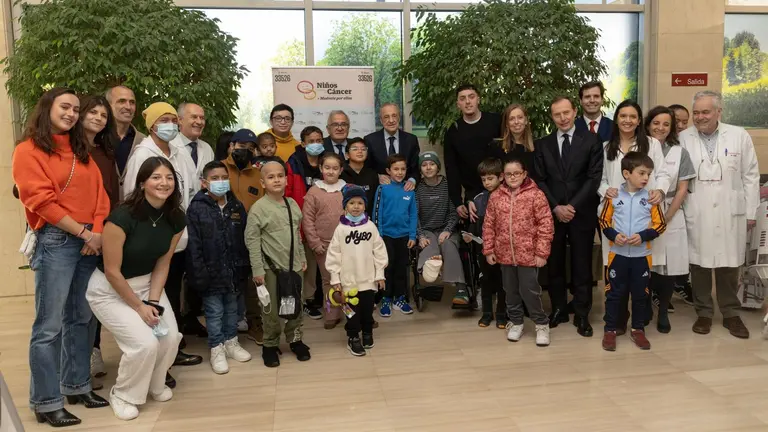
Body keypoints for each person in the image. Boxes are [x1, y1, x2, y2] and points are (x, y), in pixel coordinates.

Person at [12, 87, 111, 427]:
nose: (70, 113)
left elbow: (100, 194)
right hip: (56, 239)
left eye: (74, 108)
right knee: (49, 326)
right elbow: (41, 202)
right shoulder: (28, 151)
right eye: (64, 107)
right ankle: (45, 401)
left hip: (88, 240)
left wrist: (96, 231)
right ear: (47, 108)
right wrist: (84, 232)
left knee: (81, 318)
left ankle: (77, 385)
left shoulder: (81, 150)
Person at [86, 157, 184, 420]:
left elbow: (164, 262)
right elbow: (112, 271)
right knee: (144, 344)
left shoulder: (176, 217)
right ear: (142, 183)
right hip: (109, 290)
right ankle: (123, 394)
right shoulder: (121, 217)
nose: (164, 183)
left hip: (148, 285)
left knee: (170, 337)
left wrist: (152, 302)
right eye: (156, 177)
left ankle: (155, 383)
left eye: (169, 178)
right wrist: (139, 307)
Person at [122, 102, 203, 370]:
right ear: (152, 125)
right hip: (153, 235)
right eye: (164, 119)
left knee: (171, 291)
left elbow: (189, 189)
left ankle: (171, 348)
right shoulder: (142, 155)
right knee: (155, 294)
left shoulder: (178, 150)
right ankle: (157, 354)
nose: (170, 124)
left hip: (177, 234)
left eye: (172, 119)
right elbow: (132, 198)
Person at [680, 90, 759, 339]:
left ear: (718, 112)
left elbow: (750, 175)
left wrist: (750, 212)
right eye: (696, 112)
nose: (700, 117)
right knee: (700, 263)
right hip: (697, 208)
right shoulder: (683, 138)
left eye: (705, 111)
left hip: (730, 209)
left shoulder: (738, 135)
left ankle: (731, 314)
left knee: (729, 264)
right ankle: (704, 312)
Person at [598, 100, 671, 333]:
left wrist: (659, 191)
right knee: (615, 270)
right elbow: (600, 179)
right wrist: (605, 190)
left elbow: (662, 173)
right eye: (622, 116)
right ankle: (618, 319)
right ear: (616, 119)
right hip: (617, 214)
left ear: (639, 120)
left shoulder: (651, 143)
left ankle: (641, 319)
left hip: (643, 211)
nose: (627, 120)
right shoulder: (607, 146)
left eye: (632, 116)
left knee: (642, 271)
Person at [534, 96, 603, 337]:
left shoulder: (592, 140)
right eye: (557, 114)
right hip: (552, 214)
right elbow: (540, 179)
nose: (563, 118)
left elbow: (593, 178)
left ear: (575, 112)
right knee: (554, 263)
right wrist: (556, 207)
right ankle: (559, 309)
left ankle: (582, 314)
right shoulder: (542, 144)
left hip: (581, 212)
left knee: (582, 264)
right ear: (551, 117)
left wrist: (571, 206)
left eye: (566, 112)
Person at [185, 161, 252, 374]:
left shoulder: (236, 205)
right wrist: (198, 273)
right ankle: (217, 347)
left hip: (234, 270)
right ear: (204, 182)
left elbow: (244, 238)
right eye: (215, 178)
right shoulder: (197, 208)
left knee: (233, 309)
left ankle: (231, 342)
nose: (220, 182)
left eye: (224, 177)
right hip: (210, 272)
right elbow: (193, 245)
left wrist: (244, 266)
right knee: (214, 313)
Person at [245, 159, 311, 367]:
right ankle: (270, 344)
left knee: (294, 305)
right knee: (271, 310)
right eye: (271, 177)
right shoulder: (258, 209)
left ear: (286, 180)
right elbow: (252, 241)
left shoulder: (292, 204)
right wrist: (258, 269)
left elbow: (297, 236)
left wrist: (301, 257)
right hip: (269, 269)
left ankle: (295, 339)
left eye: (280, 176)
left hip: (294, 267)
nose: (276, 180)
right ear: (263, 182)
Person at [598, 152, 667, 351]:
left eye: (649, 174)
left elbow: (660, 225)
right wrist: (613, 235)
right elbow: (603, 220)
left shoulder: (651, 198)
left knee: (640, 295)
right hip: (617, 256)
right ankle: (610, 330)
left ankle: (638, 329)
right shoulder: (613, 196)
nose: (646, 178)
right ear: (626, 173)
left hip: (641, 258)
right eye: (642, 173)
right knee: (614, 295)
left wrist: (644, 236)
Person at [483, 157, 554, 346]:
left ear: (524, 174)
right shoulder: (496, 196)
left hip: (529, 255)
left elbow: (546, 225)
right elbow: (489, 224)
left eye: (516, 173)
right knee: (510, 291)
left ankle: (541, 324)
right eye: (508, 174)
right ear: (502, 176)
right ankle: (515, 322)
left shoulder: (536, 195)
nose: (512, 177)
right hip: (505, 254)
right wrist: (489, 249)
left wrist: (541, 253)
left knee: (530, 291)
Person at [79, 95, 120, 382]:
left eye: (103, 115)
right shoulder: (68, 149)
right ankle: (80, 358)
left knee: (98, 293)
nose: (97, 118)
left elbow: (111, 194)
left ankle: (93, 349)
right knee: (78, 300)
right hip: (78, 232)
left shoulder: (106, 152)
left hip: (104, 230)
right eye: (92, 112)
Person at [645, 106, 696, 333]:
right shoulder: (639, 148)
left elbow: (683, 188)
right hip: (643, 213)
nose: (661, 128)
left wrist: (665, 217)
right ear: (647, 124)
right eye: (656, 123)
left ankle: (663, 311)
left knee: (667, 267)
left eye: (666, 124)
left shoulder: (679, 152)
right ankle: (645, 306)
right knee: (645, 264)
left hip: (671, 213)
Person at [325, 184, 388, 356]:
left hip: (368, 281)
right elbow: (333, 255)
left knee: (367, 311)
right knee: (352, 313)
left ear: (365, 205)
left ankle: (367, 332)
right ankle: (353, 337)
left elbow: (380, 252)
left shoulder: (370, 227)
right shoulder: (341, 229)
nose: (355, 206)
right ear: (345, 205)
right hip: (348, 283)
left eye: (359, 203)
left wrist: (380, 274)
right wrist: (335, 279)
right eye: (351, 203)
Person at [223, 129, 264, 344]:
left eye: (250, 148)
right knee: (227, 281)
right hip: (223, 235)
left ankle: (254, 322)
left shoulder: (258, 175)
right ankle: (227, 327)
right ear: (231, 146)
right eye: (241, 146)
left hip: (251, 236)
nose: (245, 151)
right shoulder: (219, 170)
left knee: (252, 281)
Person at [415, 152, 468, 305]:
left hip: (446, 228)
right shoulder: (417, 189)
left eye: (431, 164)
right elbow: (414, 215)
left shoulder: (448, 185)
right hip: (426, 230)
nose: (428, 167)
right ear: (420, 170)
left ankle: (461, 289)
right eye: (424, 165)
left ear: (438, 167)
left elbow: (454, 212)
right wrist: (420, 235)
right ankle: (431, 267)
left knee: (449, 244)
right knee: (429, 245)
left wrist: (448, 230)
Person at [444, 84, 502, 220]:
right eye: (462, 98)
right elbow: (451, 168)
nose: (468, 101)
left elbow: (507, 156)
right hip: (473, 195)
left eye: (471, 97)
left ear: (478, 99)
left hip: (501, 189)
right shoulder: (453, 131)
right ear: (458, 104)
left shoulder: (496, 122)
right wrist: (457, 201)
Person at [302, 152, 347, 329]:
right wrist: (314, 243)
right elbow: (307, 220)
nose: (330, 171)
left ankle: (351, 311)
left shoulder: (347, 189)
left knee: (349, 279)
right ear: (321, 168)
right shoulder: (313, 192)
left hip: (347, 244)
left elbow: (357, 212)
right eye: (327, 167)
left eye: (335, 168)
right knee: (329, 280)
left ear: (341, 170)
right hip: (324, 245)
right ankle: (331, 313)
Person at [287, 126, 325, 320]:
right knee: (307, 264)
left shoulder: (327, 162)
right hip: (301, 220)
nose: (316, 144)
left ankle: (325, 298)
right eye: (311, 141)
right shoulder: (293, 164)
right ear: (303, 144)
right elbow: (288, 193)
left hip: (324, 220)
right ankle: (306, 300)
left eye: (319, 140)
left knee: (325, 264)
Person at [372, 154, 417, 316]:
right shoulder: (382, 188)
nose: (399, 172)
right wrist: (379, 236)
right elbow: (377, 213)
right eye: (395, 169)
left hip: (404, 237)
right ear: (388, 171)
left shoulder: (409, 191)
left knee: (401, 269)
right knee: (387, 268)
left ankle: (400, 298)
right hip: (386, 237)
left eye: (402, 169)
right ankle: (386, 299)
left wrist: (412, 236)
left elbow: (413, 215)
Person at [465, 158, 506, 329]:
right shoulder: (479, 199)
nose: (487, 182)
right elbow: (475, 224)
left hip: (503, 249)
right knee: (486, 281)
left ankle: (503, 315)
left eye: (490, 178)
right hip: (483, 249)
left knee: (503, 283)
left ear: (501, 177)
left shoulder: (507, 196)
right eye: (484, 179)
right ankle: (487, 314)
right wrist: (469, 235)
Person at [668, 103, 694, 303]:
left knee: (679, 251)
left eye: (686, 121)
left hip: (683, 202)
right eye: (678, 121)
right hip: (659, 201)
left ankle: (680, 283)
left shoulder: (687, 144)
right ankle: (658, 292)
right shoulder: (653, 144)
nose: (682, 125)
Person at [364, 103, 420, 190]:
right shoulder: (370, 140)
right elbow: (366, 168)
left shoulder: (411, 140)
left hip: (405, 191)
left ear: (399, 118)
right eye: (386, 117)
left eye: (394, 116)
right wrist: (377, 176)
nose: (391, 120)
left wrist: (412, 181)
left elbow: (415, 168)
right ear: (381, 120)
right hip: (380, 191)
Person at [106, 85, 146, 198]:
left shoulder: (143, 141)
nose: (128, 107)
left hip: (132, 209)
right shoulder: (97, 138)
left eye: (132, 102)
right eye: (121, 101)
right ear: (108, 106)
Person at [171, 103, 215, 179]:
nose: (199, 122)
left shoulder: (207, 148)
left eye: (202, 118)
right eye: (194, 117)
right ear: (180, 120)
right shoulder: (169, 146)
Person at [341, 137, 379, 216]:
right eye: (355, 149)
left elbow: (375, 201)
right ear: (347, 155)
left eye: (363, 149)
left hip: (367, 220)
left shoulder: (372, 174)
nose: (360, 151)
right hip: (345, 220)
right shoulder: (341, 173)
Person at [493, 103, 536, 171]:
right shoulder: (497, 146)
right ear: (507, 124)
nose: (516, 122)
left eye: (520, 117)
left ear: (526, 120)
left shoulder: (536, 147)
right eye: (512, 119)